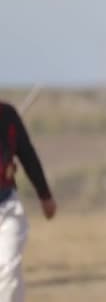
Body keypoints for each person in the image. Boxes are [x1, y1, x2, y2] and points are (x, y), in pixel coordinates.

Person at [0, 101, 56, 302]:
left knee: (8, 268)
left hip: (7, 209)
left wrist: (45, 195)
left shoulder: (7, 116)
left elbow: (27, 154)